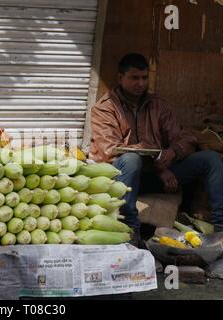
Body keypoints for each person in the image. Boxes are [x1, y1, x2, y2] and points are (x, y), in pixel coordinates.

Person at [89, 53, 223, 244]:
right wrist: (158, 167)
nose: (140, 84)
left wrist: (173, 152)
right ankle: (130, 228)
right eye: (134, 78)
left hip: (158, 175)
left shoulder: (157, 105)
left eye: (144, 78)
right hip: (122, 177)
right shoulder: (105, 108)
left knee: (210, 159)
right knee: (130, 159)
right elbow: (110, 151)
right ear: (120, 78)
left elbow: (184, 137)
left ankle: (220, 229)